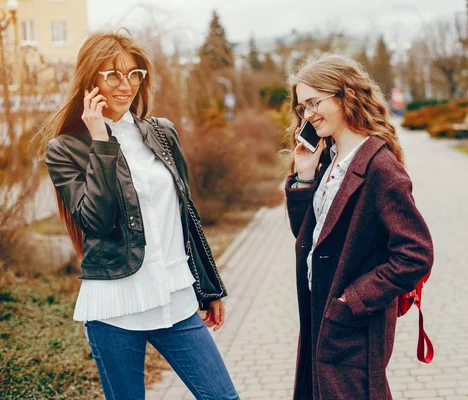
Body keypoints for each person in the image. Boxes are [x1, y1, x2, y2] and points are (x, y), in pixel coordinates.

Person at [38, 30, 239, 400]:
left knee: (222, 397)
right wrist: (100, 142)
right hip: (116, 310)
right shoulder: (66, 149)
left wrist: (208, 286)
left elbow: (185, 216)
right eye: (112, 74)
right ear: (90, 81)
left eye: (134, 74)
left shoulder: (162, 133)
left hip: (175, 299)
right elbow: (94, 221)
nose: (125, 85)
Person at [284, 54, 434, 399]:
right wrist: (305, 176)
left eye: (314, 103)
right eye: (302, 108)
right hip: (320, 310)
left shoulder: (380, 167)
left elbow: (416, 254)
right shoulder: (330, 158)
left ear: (346, 96)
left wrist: (352, 300)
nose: (308, 115)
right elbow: (308, 236)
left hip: (353, 324)